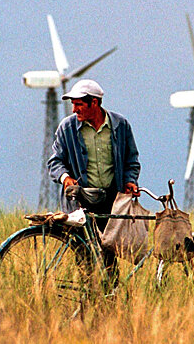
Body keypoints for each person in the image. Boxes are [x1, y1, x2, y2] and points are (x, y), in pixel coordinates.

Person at [47, 79, 141, 284]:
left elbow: (131, 160)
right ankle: (87, 300)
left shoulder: (120, 125)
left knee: (108, 254)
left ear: (94, 103)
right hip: (80, 201)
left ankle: (110, 299)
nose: (74, 109)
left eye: (79, 104)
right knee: (85, 256)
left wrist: (130, 181)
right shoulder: (67, 128)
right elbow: (55, 162)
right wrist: (65, 178)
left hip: (110, 199)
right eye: (73, 104)